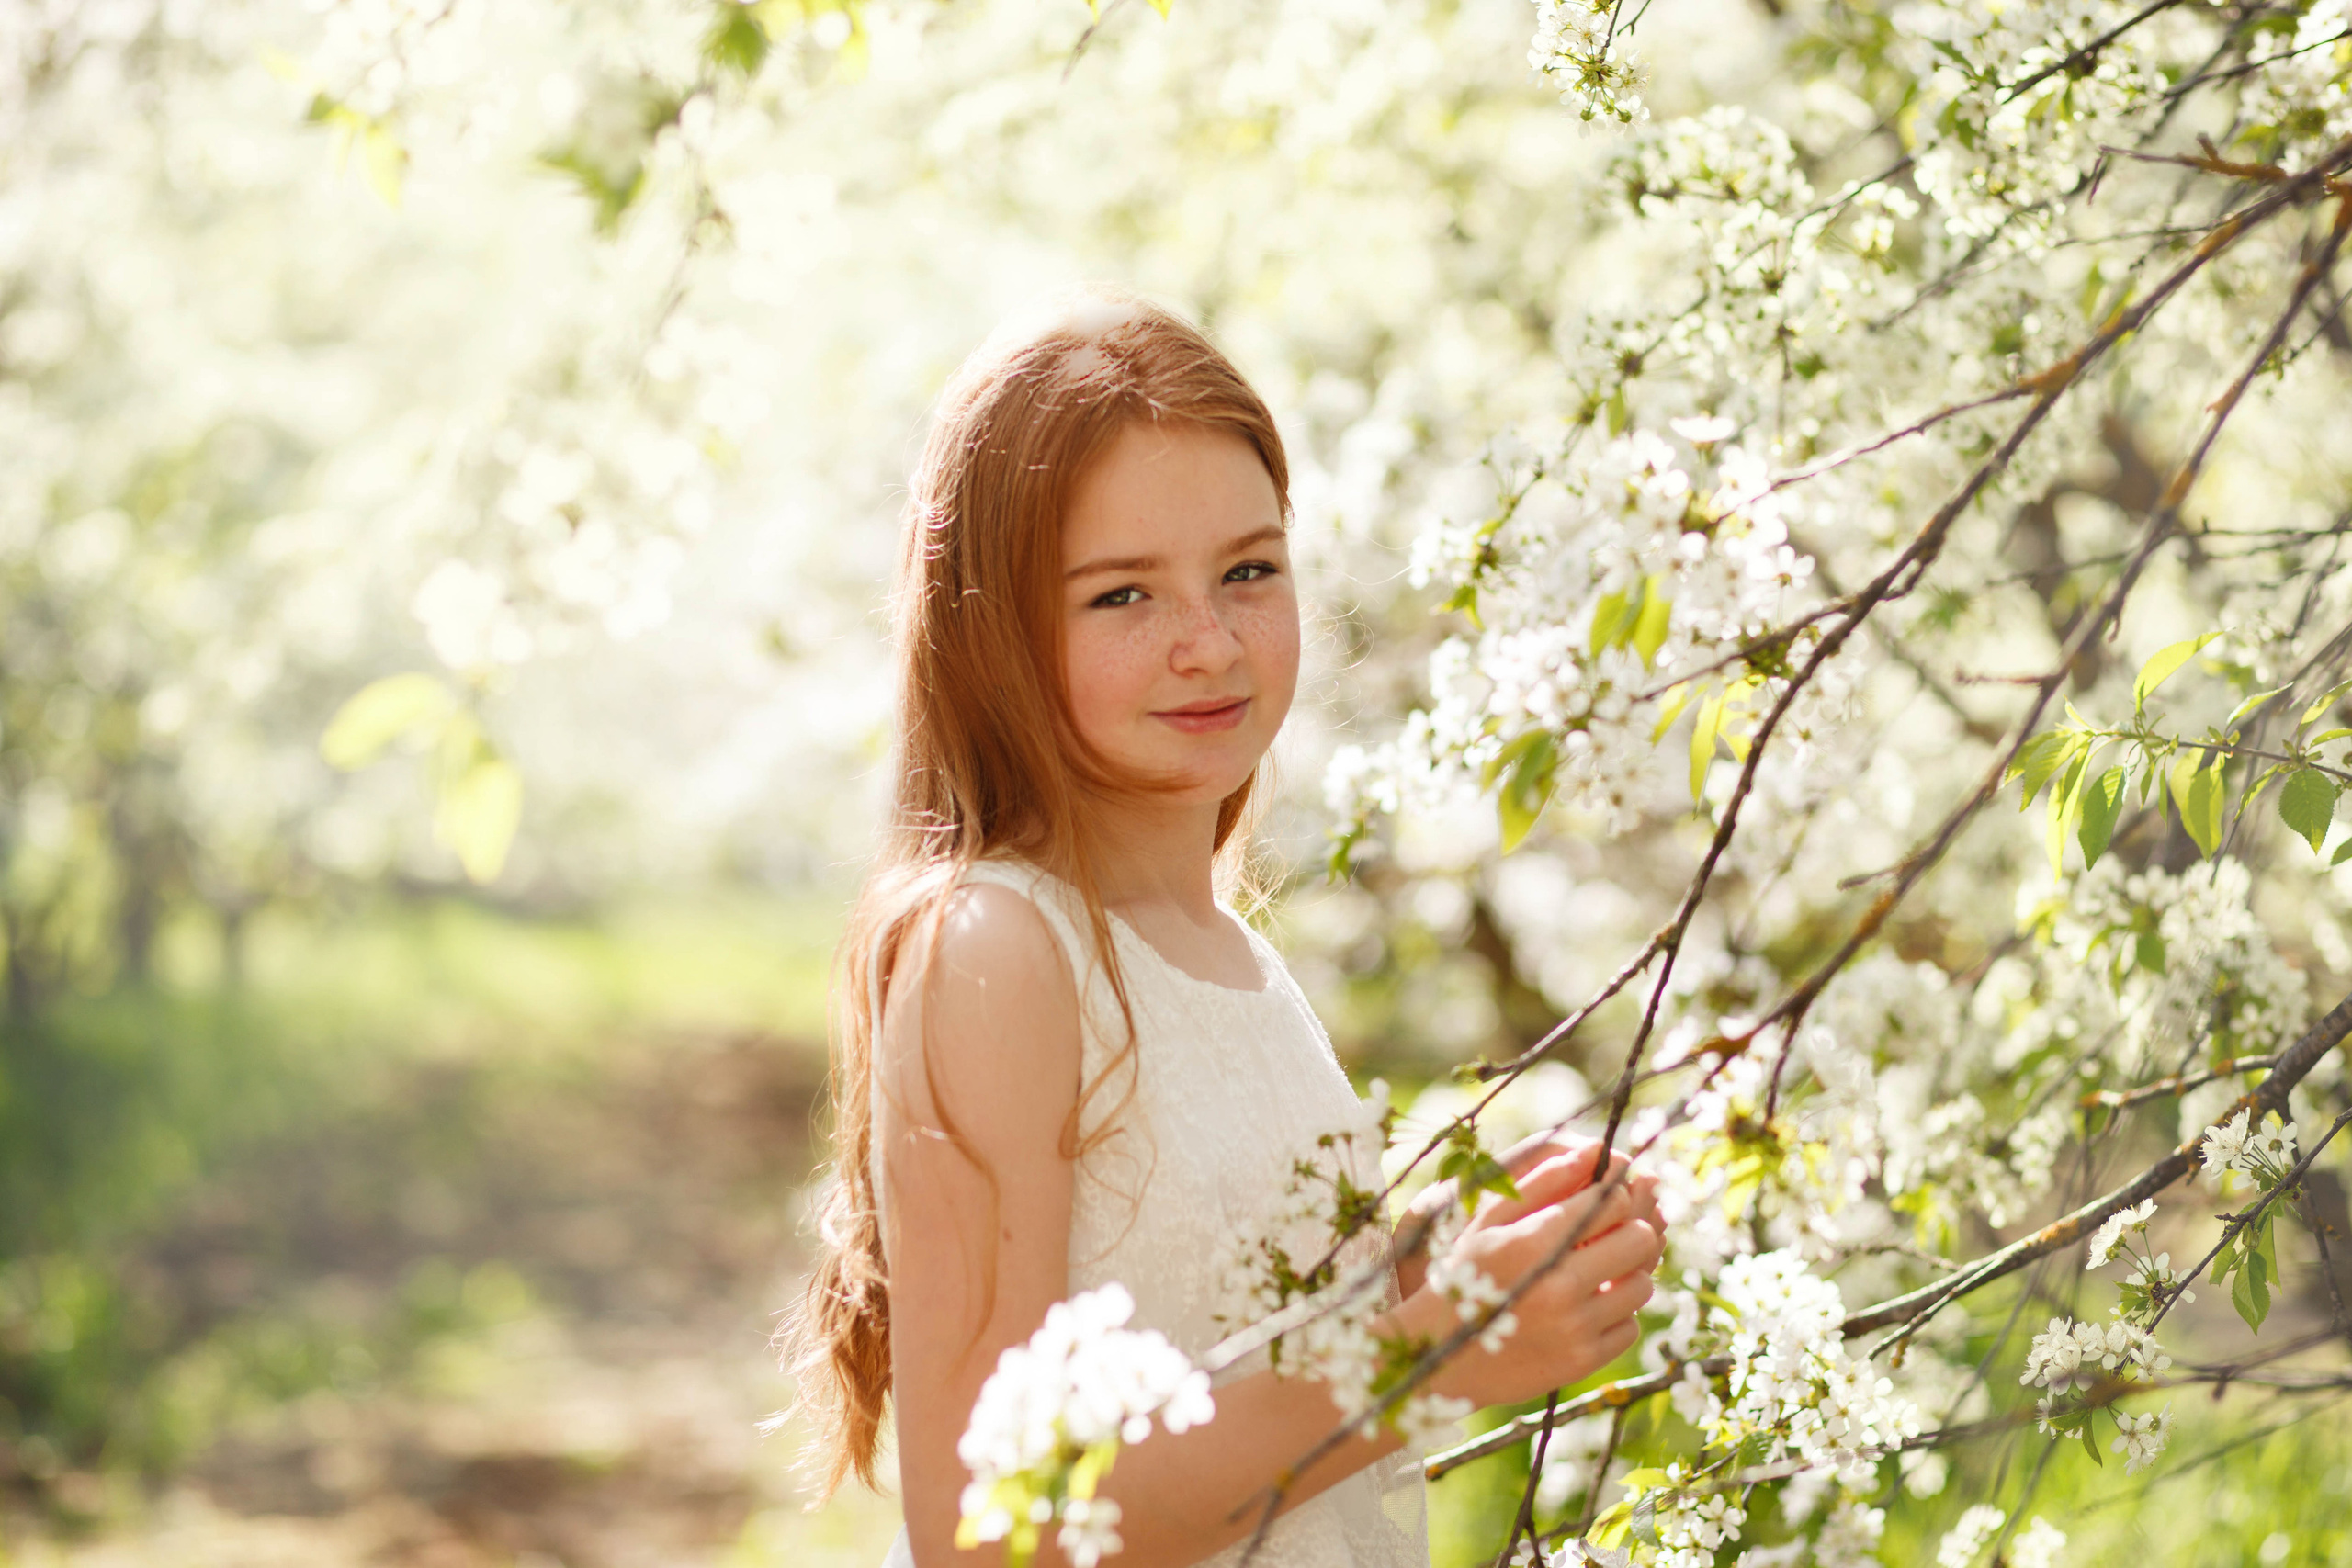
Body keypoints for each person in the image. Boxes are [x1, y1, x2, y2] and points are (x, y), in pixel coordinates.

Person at [785, 288, 1665, 1568]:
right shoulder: (998, 949)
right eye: (1121, 597)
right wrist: (1435, 1351)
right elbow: (988, 1528)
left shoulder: (1227, 952)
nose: (1208, 641)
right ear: (993, 632)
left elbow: (1236, 1368)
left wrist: (1473, 1272)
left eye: (1248, 571)